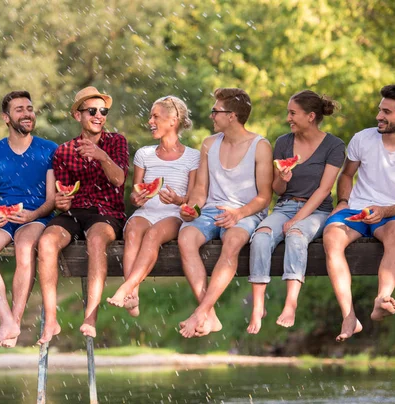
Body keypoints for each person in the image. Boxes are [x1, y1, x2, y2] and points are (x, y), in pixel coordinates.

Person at [323, 84, 395, 342]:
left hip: (394, 214)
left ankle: (382, 299)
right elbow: (347, 175)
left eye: (387, 111)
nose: (379, 116)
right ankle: (348, 315)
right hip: (356, 207)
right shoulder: (362, 138)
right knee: (331, 237)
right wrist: (342, 201)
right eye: (379, 110)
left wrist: (384, 210)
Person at [177, 88, 273, 338]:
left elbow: (264, 197)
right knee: (185, 238)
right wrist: (192, 209)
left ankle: (200, 312)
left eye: (215, 111)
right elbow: (200, 190)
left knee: (232, 242)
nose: (211, 116)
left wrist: (239, 214)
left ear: (231, 116)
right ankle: (209, 314)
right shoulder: (209, 143)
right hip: (210, 212)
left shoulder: (260, 146)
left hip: (246, 213)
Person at [247, 91, 345, 334]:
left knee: (297, 235)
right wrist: (282, 178)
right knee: (260, 236)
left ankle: (291, 303)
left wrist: (296, 220)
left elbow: (323, 190)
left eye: (293, 113)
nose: (288, 118)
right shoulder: (283, 142)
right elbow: (277, 189)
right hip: (285, 205)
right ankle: (258, 306)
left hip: (317, 211)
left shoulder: (334, 145)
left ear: (311, 116)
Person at [37, 86, 128, 343]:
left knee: (97, 240)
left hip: (107, 212)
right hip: (75, 212)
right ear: (77, 115)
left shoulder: (116, 142)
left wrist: (102, 156)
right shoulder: (64, 152)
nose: (99, 115)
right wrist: (62, 201)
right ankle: (52, 319)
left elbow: (119, 180)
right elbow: (62, 200)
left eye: (103, 111)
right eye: (92, 111)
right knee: (46, 242)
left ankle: (91, 316)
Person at [0, 91, 57, 347]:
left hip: (36, 216)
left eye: (29, 108)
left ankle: (15, 322)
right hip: (3, 217)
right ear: (6, 118)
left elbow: (52, 200)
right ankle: (6, 319)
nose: (27, 113)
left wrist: (33, 214)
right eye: (19, 109)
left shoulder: (49, 150)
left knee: (24, 247)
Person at [106, 96, 200, 316]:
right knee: (132, 231)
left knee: (153, 235)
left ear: (173, 120)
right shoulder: (144, 154)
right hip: (147, 212)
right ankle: (133, 296)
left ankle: (126, 287)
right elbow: (136, 193)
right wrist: (137, 199)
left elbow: (194, 198)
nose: (150, 121)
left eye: (155, 116)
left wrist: (179, 200)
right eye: (150, 116)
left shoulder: (193, 157)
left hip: (174, 215)